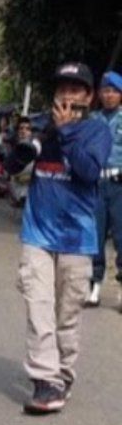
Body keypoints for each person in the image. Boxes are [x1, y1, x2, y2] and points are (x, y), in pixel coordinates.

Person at [7, 62, 111, 414]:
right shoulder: (41, 125)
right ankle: (45, 379)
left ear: (89, 96)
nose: (67, 95)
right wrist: (22, 144)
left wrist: (65, 132)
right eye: (62, 88)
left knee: (67, 315)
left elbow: (88, 170)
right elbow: (11, 166)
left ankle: (62, 373)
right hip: (37, 233)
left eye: (76, 89)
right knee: (39, 310)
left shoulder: (97, 132)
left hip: (77, 239)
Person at [89, 71, 122, 307]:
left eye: (114, 91)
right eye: (106, 91)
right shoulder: (93, 120)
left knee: (121, 238)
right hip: (97, 183)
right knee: (95, 236)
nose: (109, 95)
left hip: (119, 184)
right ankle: (95, 286)